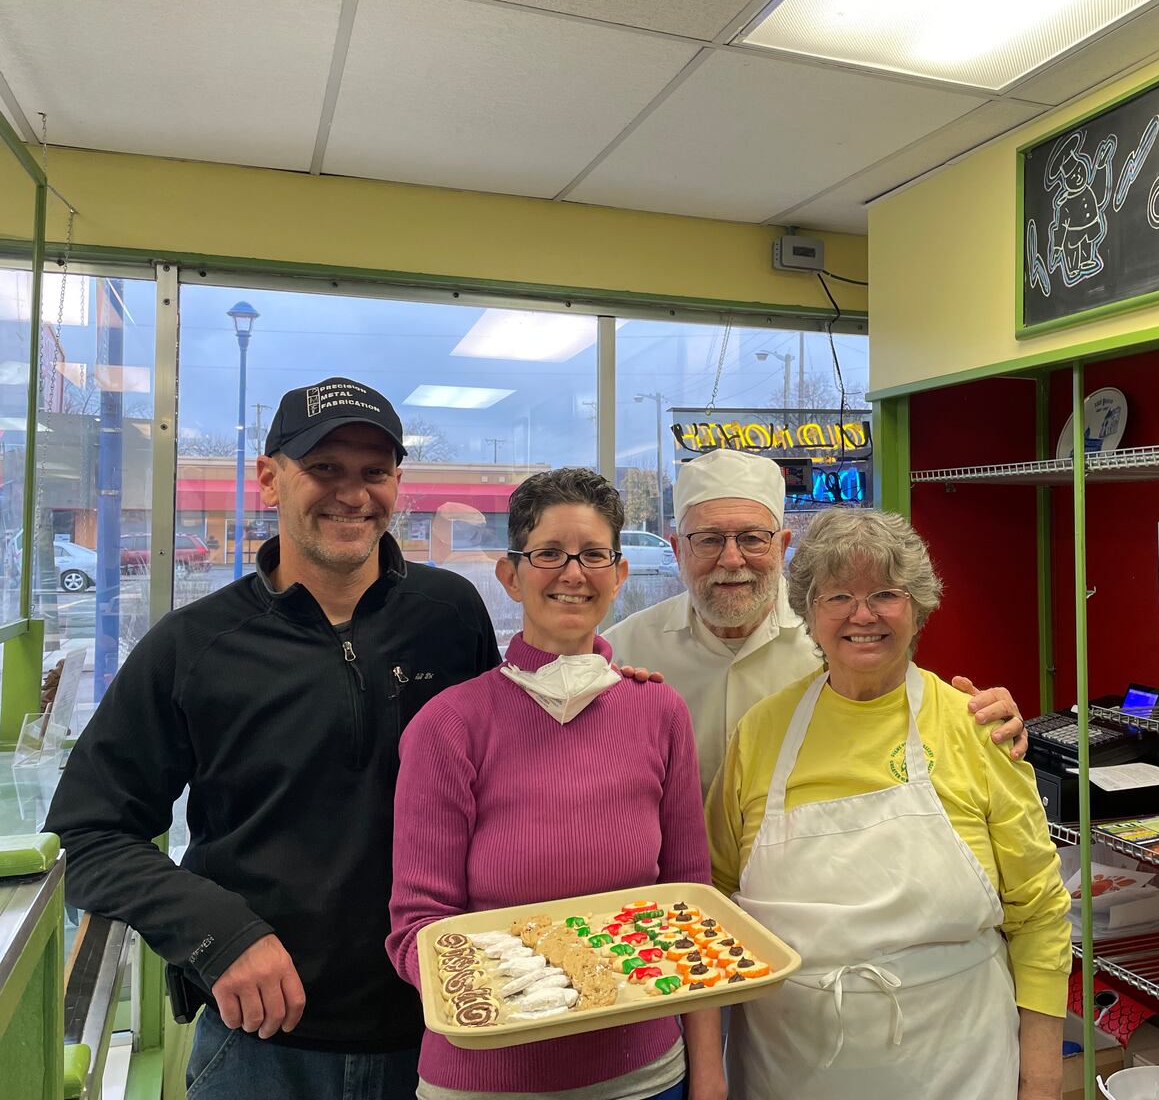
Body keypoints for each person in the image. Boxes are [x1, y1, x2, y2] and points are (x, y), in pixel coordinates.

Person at [44, 377, 503, 1100]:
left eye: (373, 472)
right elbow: (90, 833)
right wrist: (216, 933)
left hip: (446, 1030)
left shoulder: (450, 615)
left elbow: (510, 769)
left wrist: (602, 681)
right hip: (261, 1050)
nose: (352, 494)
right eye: (324, 468)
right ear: (269, 478)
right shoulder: (193, 647)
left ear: (396, 483)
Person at [706, 506, 1071, 1100]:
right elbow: (716, 898)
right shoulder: (762, 731)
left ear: (918, 606)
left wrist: (1042, 1081)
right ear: (808, 611)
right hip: (789, 1064)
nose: (863, 615)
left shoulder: (976, 726)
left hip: (956, 1063)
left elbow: (1039, 916)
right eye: (837, 596)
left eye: (885, 594)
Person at [388, 468, 723, 1100]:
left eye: (594, 555)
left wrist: (708, 1069)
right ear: (510, 574)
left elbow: (689, 902)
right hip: (488, 1079)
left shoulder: (658, 712)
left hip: (644, 1073)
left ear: (619, 573)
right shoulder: (450, 726)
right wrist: (532, 989)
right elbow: (417, 930)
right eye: (548, 554)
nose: (574, 573)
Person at [606, 448, 1029, 794]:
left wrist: (989, 721)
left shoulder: (838, 639)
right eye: (709, 539)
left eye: (752, 538)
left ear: (783, 545)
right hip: (665, 887)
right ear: (678, 549)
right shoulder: (623, 653)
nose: (731, 559)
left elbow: (917, 714)